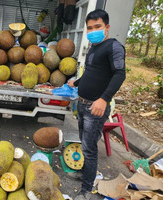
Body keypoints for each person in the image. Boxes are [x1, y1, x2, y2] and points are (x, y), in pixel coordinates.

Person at [67, 9, 126, 200]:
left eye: (98, 27)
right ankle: (85, 174)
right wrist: (76, 83)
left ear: (107, 27)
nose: (93, 31)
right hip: (83, 105)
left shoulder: (113, 47)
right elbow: (91, 73)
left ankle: (86, 190)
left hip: (96, 107)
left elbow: (119, 74)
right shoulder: (93, 47)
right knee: (84, 144)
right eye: (90, 28)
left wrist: (104, 99)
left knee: (89, 149)